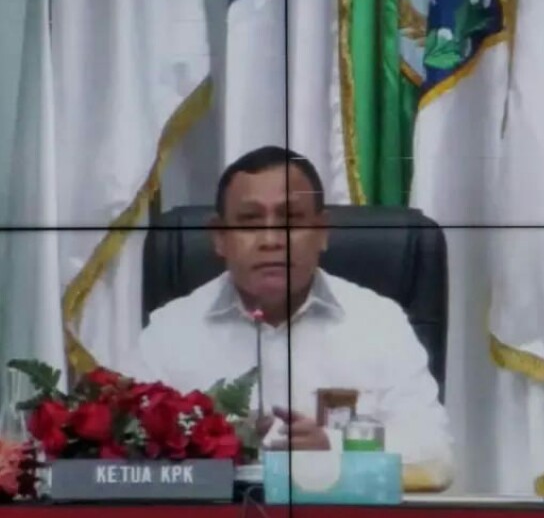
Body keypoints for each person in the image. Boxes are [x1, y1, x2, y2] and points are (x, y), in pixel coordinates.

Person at [128, 146, 453, 491]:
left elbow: (436, 459)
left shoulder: (379, 323)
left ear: (322, 231)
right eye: (249, 222)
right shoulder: (170, 331)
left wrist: (333, 448)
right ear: (220, 238)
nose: (271, 240)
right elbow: (124, 453)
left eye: (291, 220)